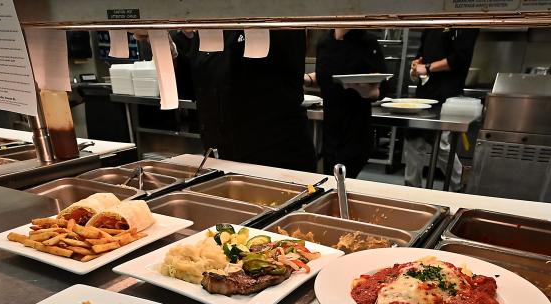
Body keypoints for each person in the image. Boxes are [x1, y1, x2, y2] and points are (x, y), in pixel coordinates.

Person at [175, 30, 317, 172]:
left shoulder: (273, 23)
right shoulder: (208, 27)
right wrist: (173, 57)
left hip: (275, 157)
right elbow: (194, 88)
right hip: (219, 160)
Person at [403, 28, 479, 188]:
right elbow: (420, 55)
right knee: (413, 140)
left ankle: (460, 185)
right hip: (424, 93)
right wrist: (416, 64)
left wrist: (428, 67)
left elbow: (459, 59)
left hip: (447, 94)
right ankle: (411, 189)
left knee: (440, 143)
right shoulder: (432, 24)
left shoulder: (466, 24)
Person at [309, 29, 387, 178]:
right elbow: (324, 76)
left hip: (356, 131)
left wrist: (368, 92)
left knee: (341, 181)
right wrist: (308, 79)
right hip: (330, 130)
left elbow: (383, 86)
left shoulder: (367, 41)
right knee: (331, 183)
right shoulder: (324, 42)